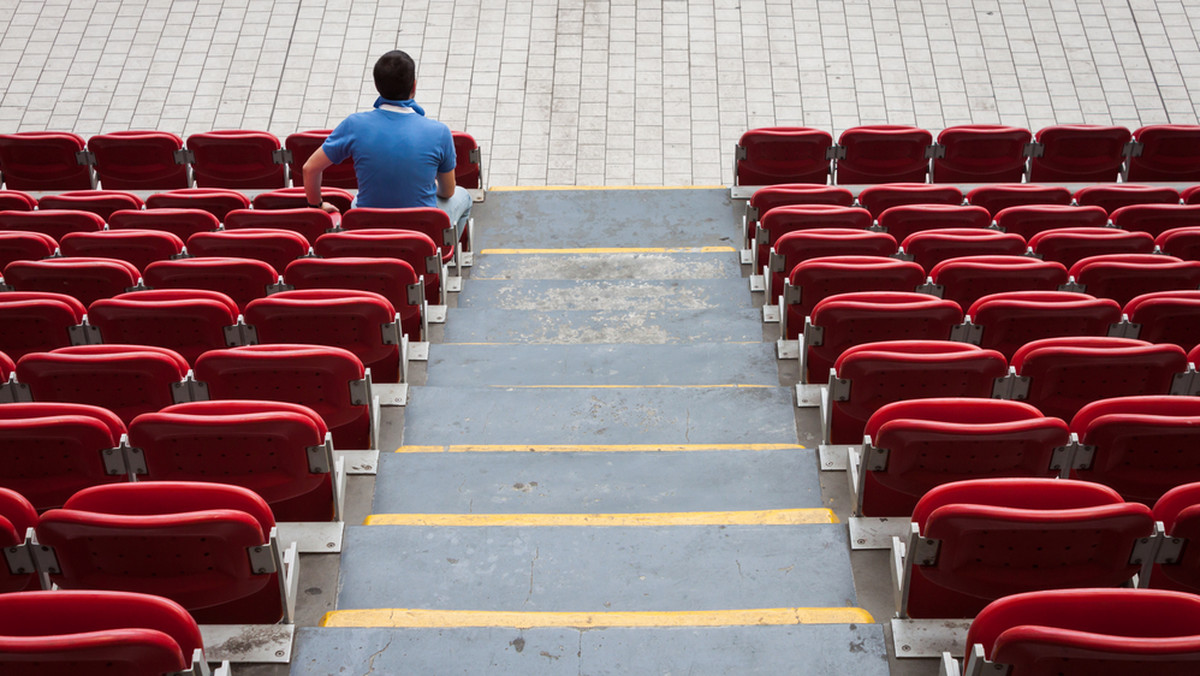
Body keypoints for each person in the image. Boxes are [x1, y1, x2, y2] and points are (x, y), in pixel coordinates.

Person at [302, 49, 471, 230]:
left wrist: (316, 205)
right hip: (421, 230)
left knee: (358, 200)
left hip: (369, 227)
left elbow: (310, 168)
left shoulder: (354, 125)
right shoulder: (439, 132)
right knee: (465, 197)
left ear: (376, 85)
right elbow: (447, 192)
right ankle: (446, 254)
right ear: (413, 86)